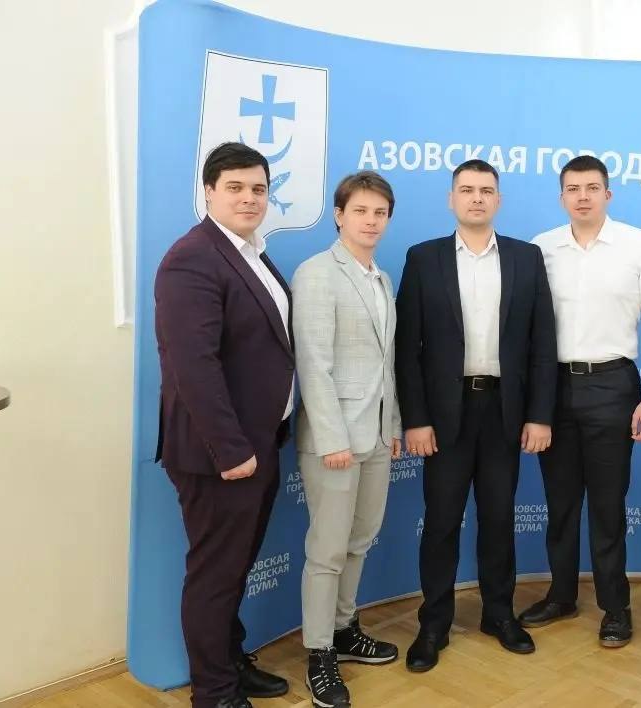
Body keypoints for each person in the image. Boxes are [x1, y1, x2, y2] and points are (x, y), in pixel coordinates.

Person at [395, 159, 557, 672]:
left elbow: (542, 344)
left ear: (498, 200)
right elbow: (407, 348)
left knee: (499, 517)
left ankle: (498, 613)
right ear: (452, 199)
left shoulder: (526, 258)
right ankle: (434, 623)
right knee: (441, 520)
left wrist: (540, 415)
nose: (477, 198)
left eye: (486, 190)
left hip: (504, 410)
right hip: (444, 414)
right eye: (466, 190)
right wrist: (415, 419)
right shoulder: (423, 258)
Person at [154, 142, 293, 708]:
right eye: (235, 187)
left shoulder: (251, 252)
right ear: (209, 192)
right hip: (221, 455)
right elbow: (193, 367)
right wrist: (231, 450)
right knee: (215, 576)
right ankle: (213, 693)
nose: (249, 198)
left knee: (233, 570)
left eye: (258, 188)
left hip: (259, 443)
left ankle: (231, 663)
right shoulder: (192, 258)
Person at [522, 155, 641, 648]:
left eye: (592, 187)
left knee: (608, 506)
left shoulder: (640, 245)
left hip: (613, 386)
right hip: (554, 388)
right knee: (560, 502)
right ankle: (561, 595)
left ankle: (615, 606)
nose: (582, 196)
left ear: (608, 194)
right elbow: (527, 329)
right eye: (573, 189)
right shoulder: (541, 248)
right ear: (562, 197)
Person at [292, 171, 402, 707]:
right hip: (334, 439)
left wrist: (393, 426)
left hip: (375, 434)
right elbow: (313, 364)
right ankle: (318, 653)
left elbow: (386, 365)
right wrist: (332, 436)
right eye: (360, 211)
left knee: (360, 539)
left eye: (380, 213)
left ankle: (342, 629)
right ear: (339, 216)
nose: (371, 221)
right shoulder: (317, 274)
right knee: (328, 550)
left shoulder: (381, 278)